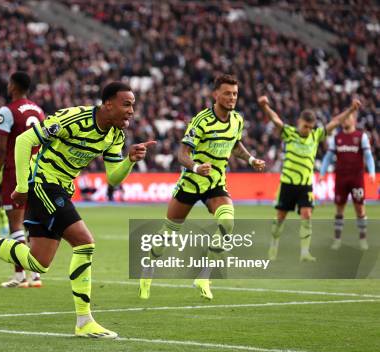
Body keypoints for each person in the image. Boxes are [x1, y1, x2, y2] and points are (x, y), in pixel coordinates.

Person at [0, 82, 154, 338]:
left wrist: (129, 162)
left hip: (60, 188)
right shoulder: (74, 118)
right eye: (126, 104)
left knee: (38, 262)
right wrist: (22, 185)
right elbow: (24, 140)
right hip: (43, 182)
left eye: (133, 105)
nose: (132, 110)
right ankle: (84, 320)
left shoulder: (115, 136)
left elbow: (113, 177)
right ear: (108, 104)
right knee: (85, 242)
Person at [139, 74, 265, 301]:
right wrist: (196, 168)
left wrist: (250, 159)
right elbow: (182, 154)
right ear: (215, 94)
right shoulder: (201, 121)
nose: (232, 97)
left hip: (215, 183)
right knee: (168, 233)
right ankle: (147, 272)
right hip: (191, 182)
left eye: (235, 93)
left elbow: (235, 144)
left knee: (227, 222)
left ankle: (204, 276)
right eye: (227, 93)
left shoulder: (237, 120)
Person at [259, 95, 361, 262]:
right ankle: (274, 245)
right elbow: (275, 119)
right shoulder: (289, 133)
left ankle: (305, 252)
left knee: (306, 215)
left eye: (310, 127)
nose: (307, 130)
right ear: (299, 122)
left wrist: (351, 109)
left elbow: (335, 122)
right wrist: (265, 107)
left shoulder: (316, 135)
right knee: (280, 218)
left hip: (305, 186)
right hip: (287, 183)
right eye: (305, 126)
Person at [0, 71, 45, 288]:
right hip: (37, 171)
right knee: (32, 223)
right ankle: (37, 275)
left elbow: (1, 147)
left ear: (13, 85)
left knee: (15, 224)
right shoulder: (38, 110)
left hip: (15, 171)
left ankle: (20, 275)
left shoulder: (7, 110)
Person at [320, 106, 375, 250]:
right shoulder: (337, 138)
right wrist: (322, 173)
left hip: (357, 179)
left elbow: (368, 156)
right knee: (339, 210)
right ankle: (337, 240)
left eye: (348, 117)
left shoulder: (361, 136)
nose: (345, 120)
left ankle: (363, 240)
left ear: (354, 120)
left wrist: (372, 172)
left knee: (360, 209)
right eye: (343, 118)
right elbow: (328, 157)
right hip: (341, 179)